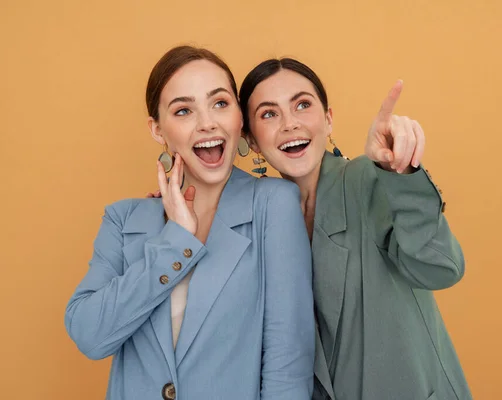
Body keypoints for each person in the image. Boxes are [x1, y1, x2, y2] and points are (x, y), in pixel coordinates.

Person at [65, 46, 315, 400]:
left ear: (239, 118)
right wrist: (175, 242)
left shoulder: (272, 205)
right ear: (157, 129)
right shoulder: (123, 219)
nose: (207, 123)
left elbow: (288, 365)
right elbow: (89, 335)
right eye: (183, 110)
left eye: (220, 103)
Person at [238, 58, 472, 400]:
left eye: (302, 105)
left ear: (328, 118)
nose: (290, 124)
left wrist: (401, 175)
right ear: (252, 140)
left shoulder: (368, 179)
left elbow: (441, 268)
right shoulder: (263, 220)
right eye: (268, 114)